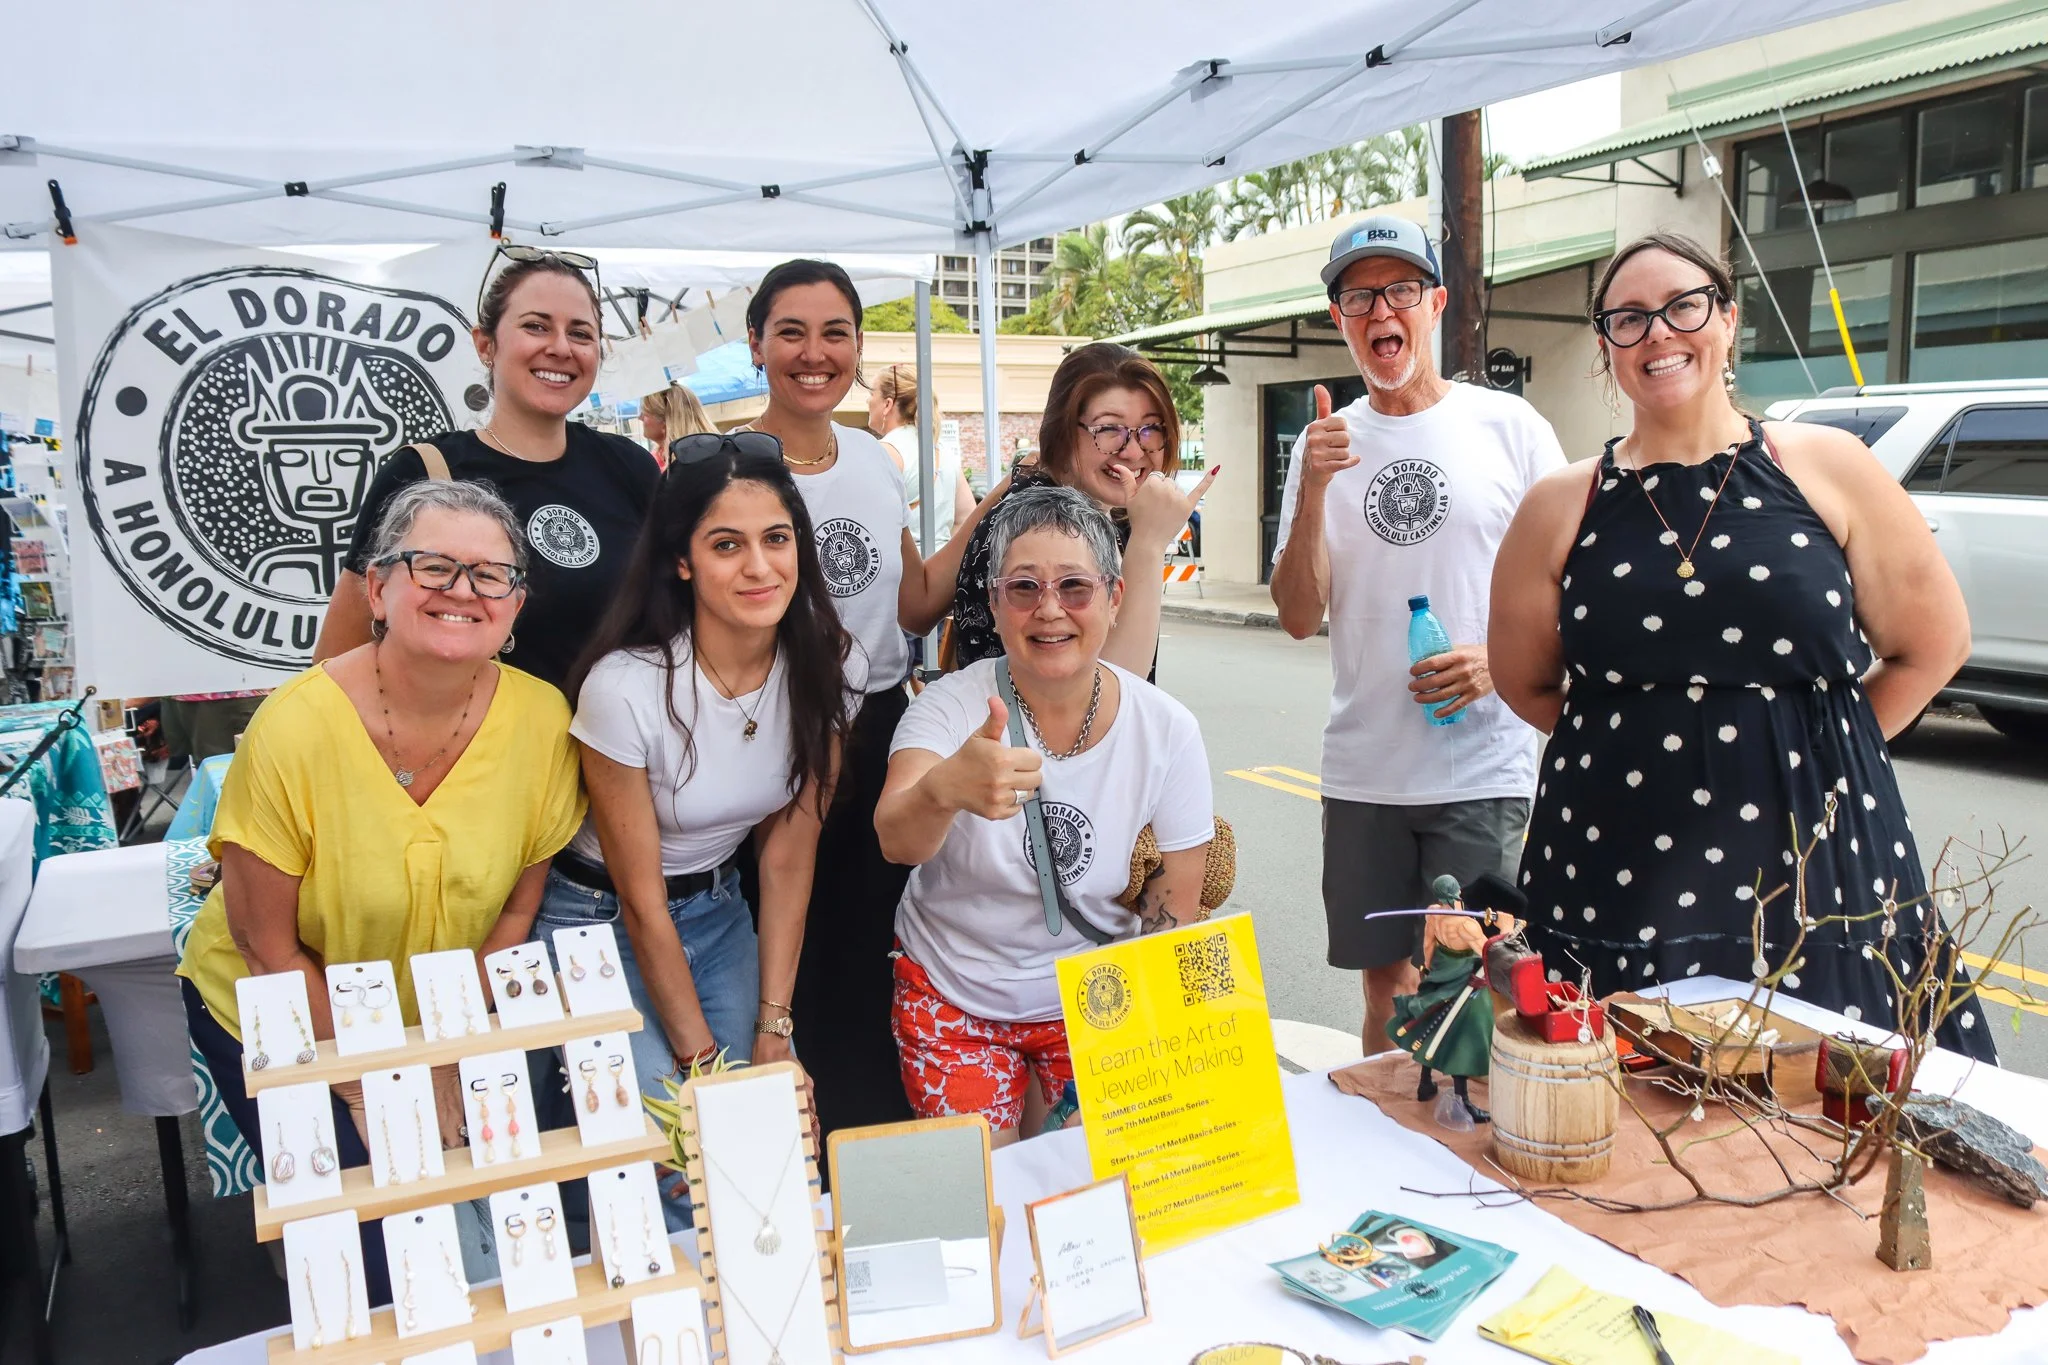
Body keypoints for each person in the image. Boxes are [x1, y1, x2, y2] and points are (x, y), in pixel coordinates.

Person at [1489, 232, 1996, 1063]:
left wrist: (1817, 749)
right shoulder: (1560, 503)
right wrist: (1642, 736)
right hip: (1616, 852)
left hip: (1814, 856)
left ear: (1726, 319)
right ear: (1606, 346)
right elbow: (1527, 680)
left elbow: (1932, 645)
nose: (1658, 332)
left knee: (1830, 1108)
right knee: (1619, 1106)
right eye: (1628, 318)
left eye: (1682, 305)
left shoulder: (1828, 465)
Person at [177, 480, 585, 1296]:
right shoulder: (294, 727)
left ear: (515, 606)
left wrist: (443, 1055)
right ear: (377, 587)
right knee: (371, 1262)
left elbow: (514, 911)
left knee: (475, 1253)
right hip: (280, 1008)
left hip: (435, 1020)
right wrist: (375, 1082)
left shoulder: (542, 720)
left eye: (489, 574)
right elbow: (270, 947)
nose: (462, 590)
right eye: (432, 566)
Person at [537, 433, 857, 1223]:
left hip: (718, 912)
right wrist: (707, 1067)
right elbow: (641, 903)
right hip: (595, 924)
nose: (759, 566)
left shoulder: (825, 666)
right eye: (726, 544)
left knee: (771, 1144)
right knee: (681, 1164)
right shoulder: (627, 687)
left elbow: (787, 855)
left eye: (776, 539)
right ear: (681, 560)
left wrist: (776, 1029)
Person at [1268, 214, 1565, 1057]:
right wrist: (1317, 488)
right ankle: (1386, 1155)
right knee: (1387, 994)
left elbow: (1571, 586)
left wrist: (1496, 661)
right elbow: (1296, 615)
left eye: (1399, 289)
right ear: (1338, 318)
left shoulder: (1511, 429)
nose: (1379, 310)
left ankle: (1474, 1168)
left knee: (1483, 986)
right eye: (1358, 295)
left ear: (1434, 304)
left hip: (1482, 765)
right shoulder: (1323, 445)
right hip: (1366, 771)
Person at [876, 486, 1214, 1143]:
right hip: (955, 990)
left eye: (1075, 587)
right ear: (996, 605)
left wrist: (1153, 1062)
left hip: (1099, 997)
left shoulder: (1167, 729)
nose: (1049, 609)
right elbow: (896, 838)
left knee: (1095, 1200)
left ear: (1115, 599)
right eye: (1024, 587)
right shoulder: (949, 708)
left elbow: (1175, 911)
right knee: (986, 1201)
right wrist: (945, 788)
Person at [740, 259, 989, 1139]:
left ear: (857, 347)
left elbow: (914, 600)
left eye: (835, 332)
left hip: (879, 730)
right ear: (757, 343)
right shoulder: (729, 465)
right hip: (768, 737)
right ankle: (791, 1147)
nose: (815, 353)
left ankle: (873, 1147)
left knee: (873, 951)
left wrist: (994, 505)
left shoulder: (876, 462)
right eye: (792, 332)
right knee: (787, 961)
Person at [314, 247, 659, 691]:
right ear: (485, 344)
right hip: (479, 751)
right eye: (535, 326)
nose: (559, 347)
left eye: (580, 333)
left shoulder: (630, 467)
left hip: (622, 751)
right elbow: (338, 659)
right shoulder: (426, 473)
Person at [947, 343, 1216, 677]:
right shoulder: (1040, 525)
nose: (1133, 451)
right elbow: (1110, 693)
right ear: (1062, 432)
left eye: (1150, 429)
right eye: (1108, 430)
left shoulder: (1113, 518)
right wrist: (1149, 544)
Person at [868, 363, 972, 545]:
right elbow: (966, 518)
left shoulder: (886, 451)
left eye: (871, 394)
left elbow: (870, 521)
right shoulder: (942, 451)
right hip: (941, 567)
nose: (867, 401)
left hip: (902, 568)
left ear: (887, 404)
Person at [641, 381, 715, 468]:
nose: (640, 418)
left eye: (645, 414)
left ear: (665, 421)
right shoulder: (654, 459)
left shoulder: (701, 462)